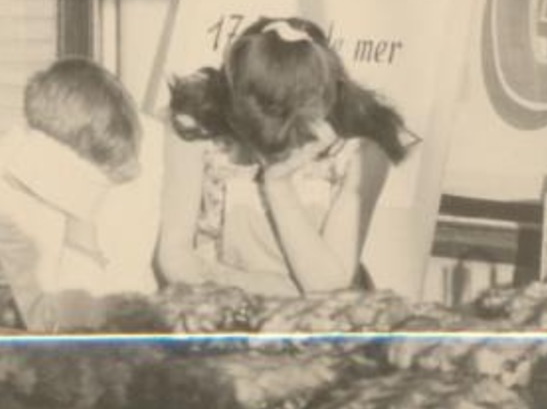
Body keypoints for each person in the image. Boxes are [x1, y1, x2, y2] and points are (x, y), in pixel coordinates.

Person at [157, 16, 412, 296]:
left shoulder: (361, 153)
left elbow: (327, 287)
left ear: (324, 104)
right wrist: (262, 291)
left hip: (316, 322)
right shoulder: (197, 131)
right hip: (221, 308)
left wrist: (278, 184)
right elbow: (174, 257)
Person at [0, 59, 163, 330]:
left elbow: (131, 285)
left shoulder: (148, 141)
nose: (131, 172)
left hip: (139, 318)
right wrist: (79, 217)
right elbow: (52, 324)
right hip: (77, 330)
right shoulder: (1, 182)